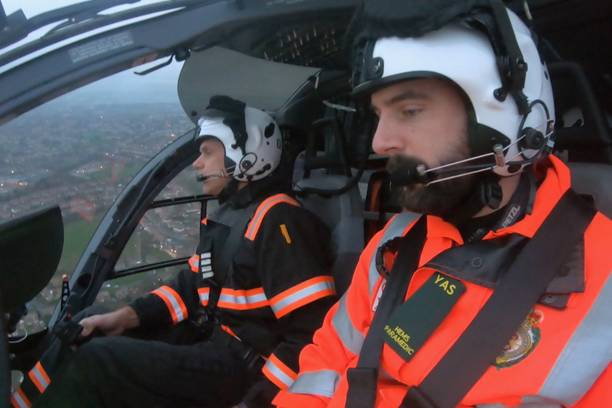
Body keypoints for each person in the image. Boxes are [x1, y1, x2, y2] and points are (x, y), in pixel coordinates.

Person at [274, 1, 611, 407]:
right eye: (378, 115)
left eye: (409, 110)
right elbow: (324, 364)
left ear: (501, 117)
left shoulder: (604, 279)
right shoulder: (396, 240)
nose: (380, 141)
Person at [23, 96, 336, 408]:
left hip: (242, 368)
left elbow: (312, 332)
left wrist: (259, 401)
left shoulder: (280, 221)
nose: (197, 163)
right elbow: (190, 287)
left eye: (207, 152)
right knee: (88, 326)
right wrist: (123, 318)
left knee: (98, 359)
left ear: (245, 156)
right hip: (211, 341)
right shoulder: (230, 215)